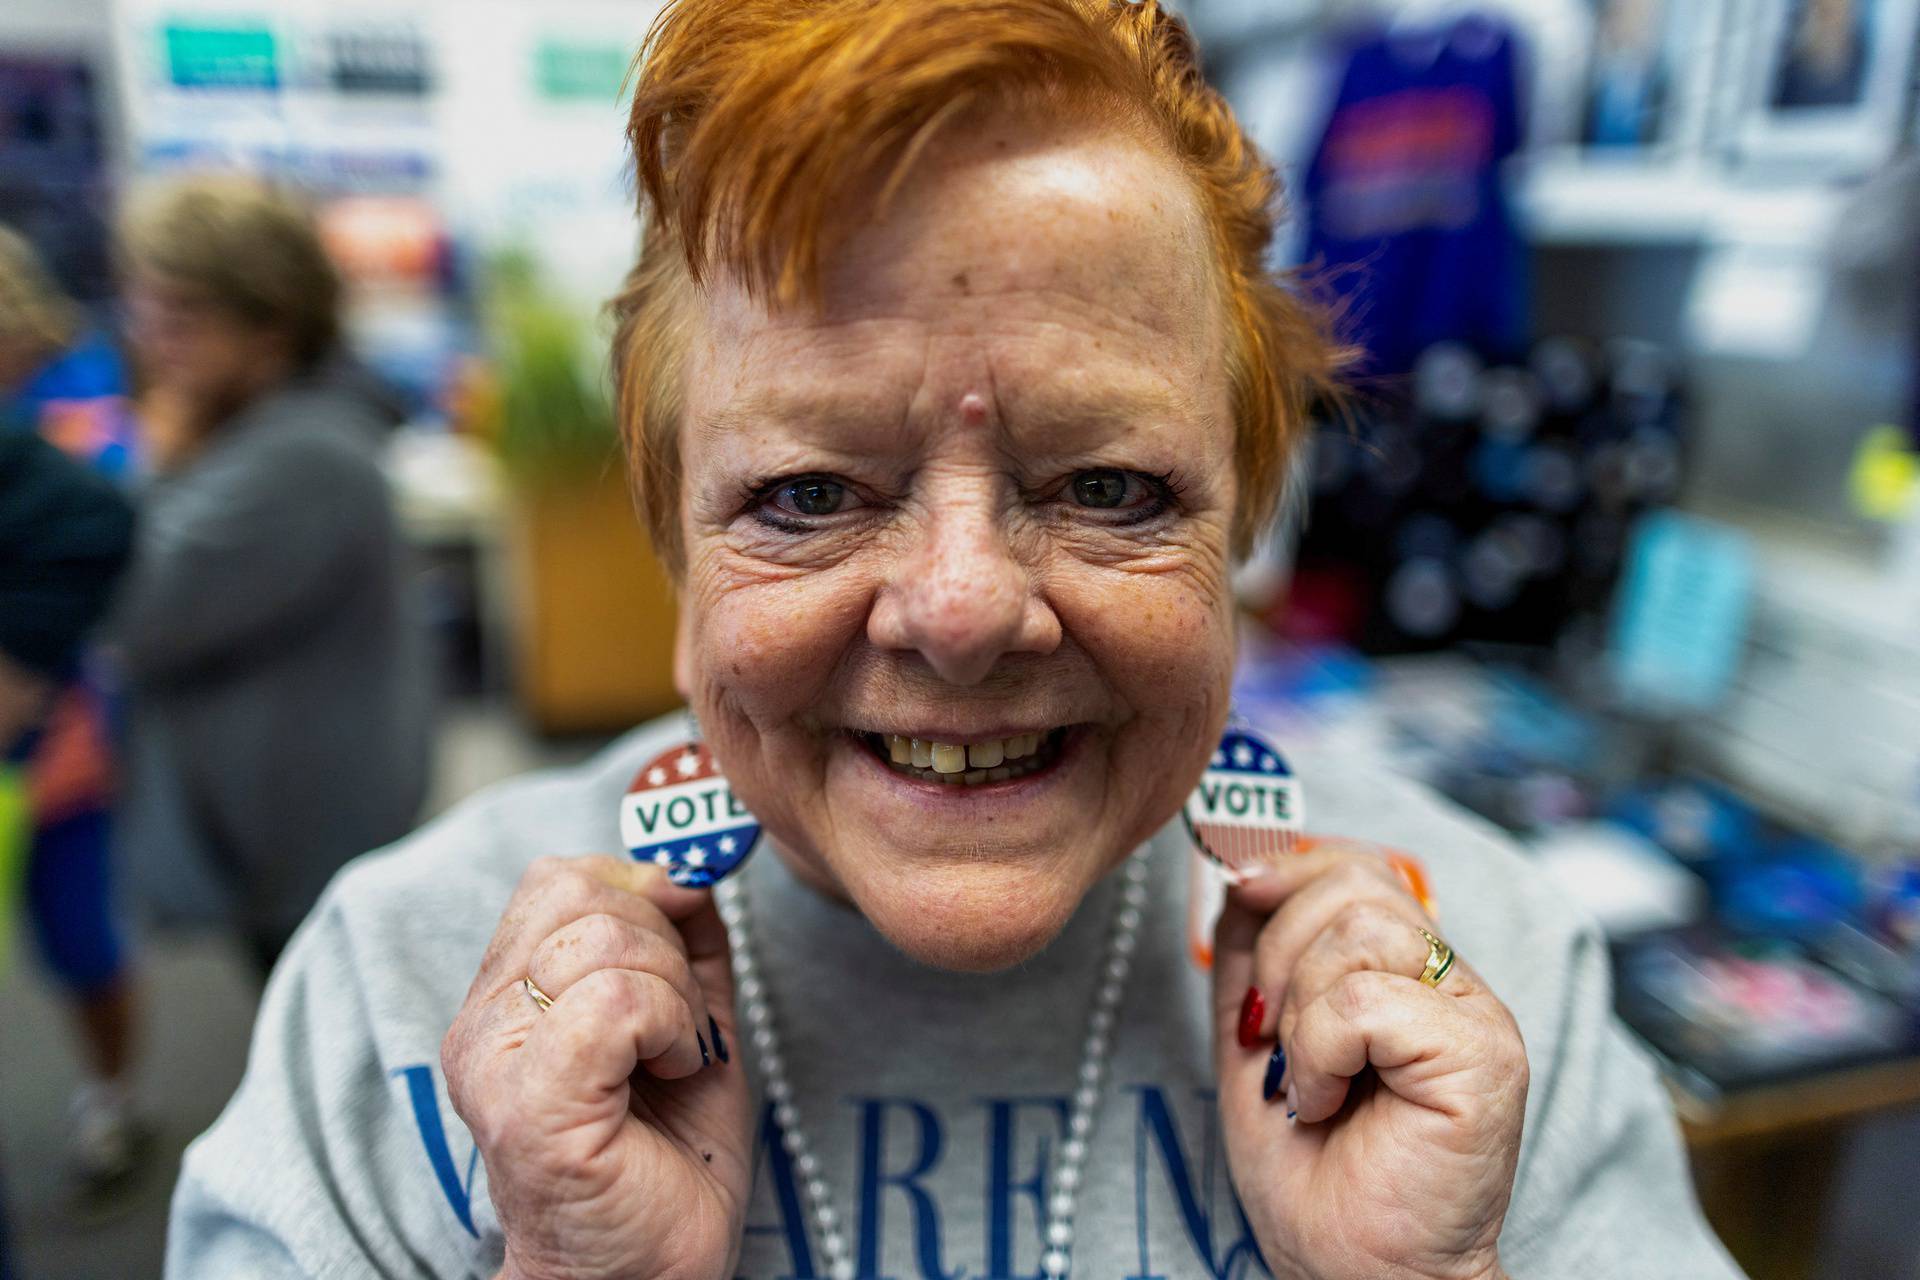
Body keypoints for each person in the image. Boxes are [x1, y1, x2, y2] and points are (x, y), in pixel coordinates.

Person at [168, 3, 1746, 1277]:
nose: (967, 609)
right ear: (673, 540)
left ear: (1247, 516)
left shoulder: (1486, 969)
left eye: (1113, 485)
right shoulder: (399, 989)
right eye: (805, 495)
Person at [109, 175, 432, 975]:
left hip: (307, 842)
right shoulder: (268, 433)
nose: (152, 340)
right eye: (146, 309)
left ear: (270, 325)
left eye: (181, 316)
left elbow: (134, 615)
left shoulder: (303, 453)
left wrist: (157, 454)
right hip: (286, 833)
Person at [0, 223, 151, 1193]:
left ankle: (113, 1093)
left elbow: (105, 529)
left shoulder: (76, 387)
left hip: (62, 721)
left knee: (76, 929)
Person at [0, 425, 136, 1276]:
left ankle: (112, 1099)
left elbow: (93, 518)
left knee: (83, 945)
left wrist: (19, 664)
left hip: (51, 762)